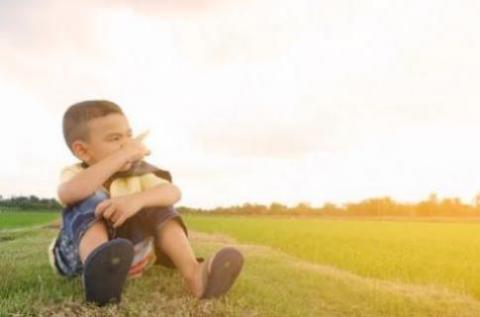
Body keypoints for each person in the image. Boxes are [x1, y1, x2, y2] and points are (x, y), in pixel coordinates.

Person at [47, 100, 244, 306]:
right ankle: (100, 269)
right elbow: (68, 193)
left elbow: (173, 192)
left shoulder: (138, 174)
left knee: (158, 202)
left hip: (125, 256)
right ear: (83, 151)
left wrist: (136, 200)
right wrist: (123, 155)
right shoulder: (77, 174)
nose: (127, 144)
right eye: (115, 138)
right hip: (76, 258)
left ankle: (195, 274)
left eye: (129, 135)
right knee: (90, 199)